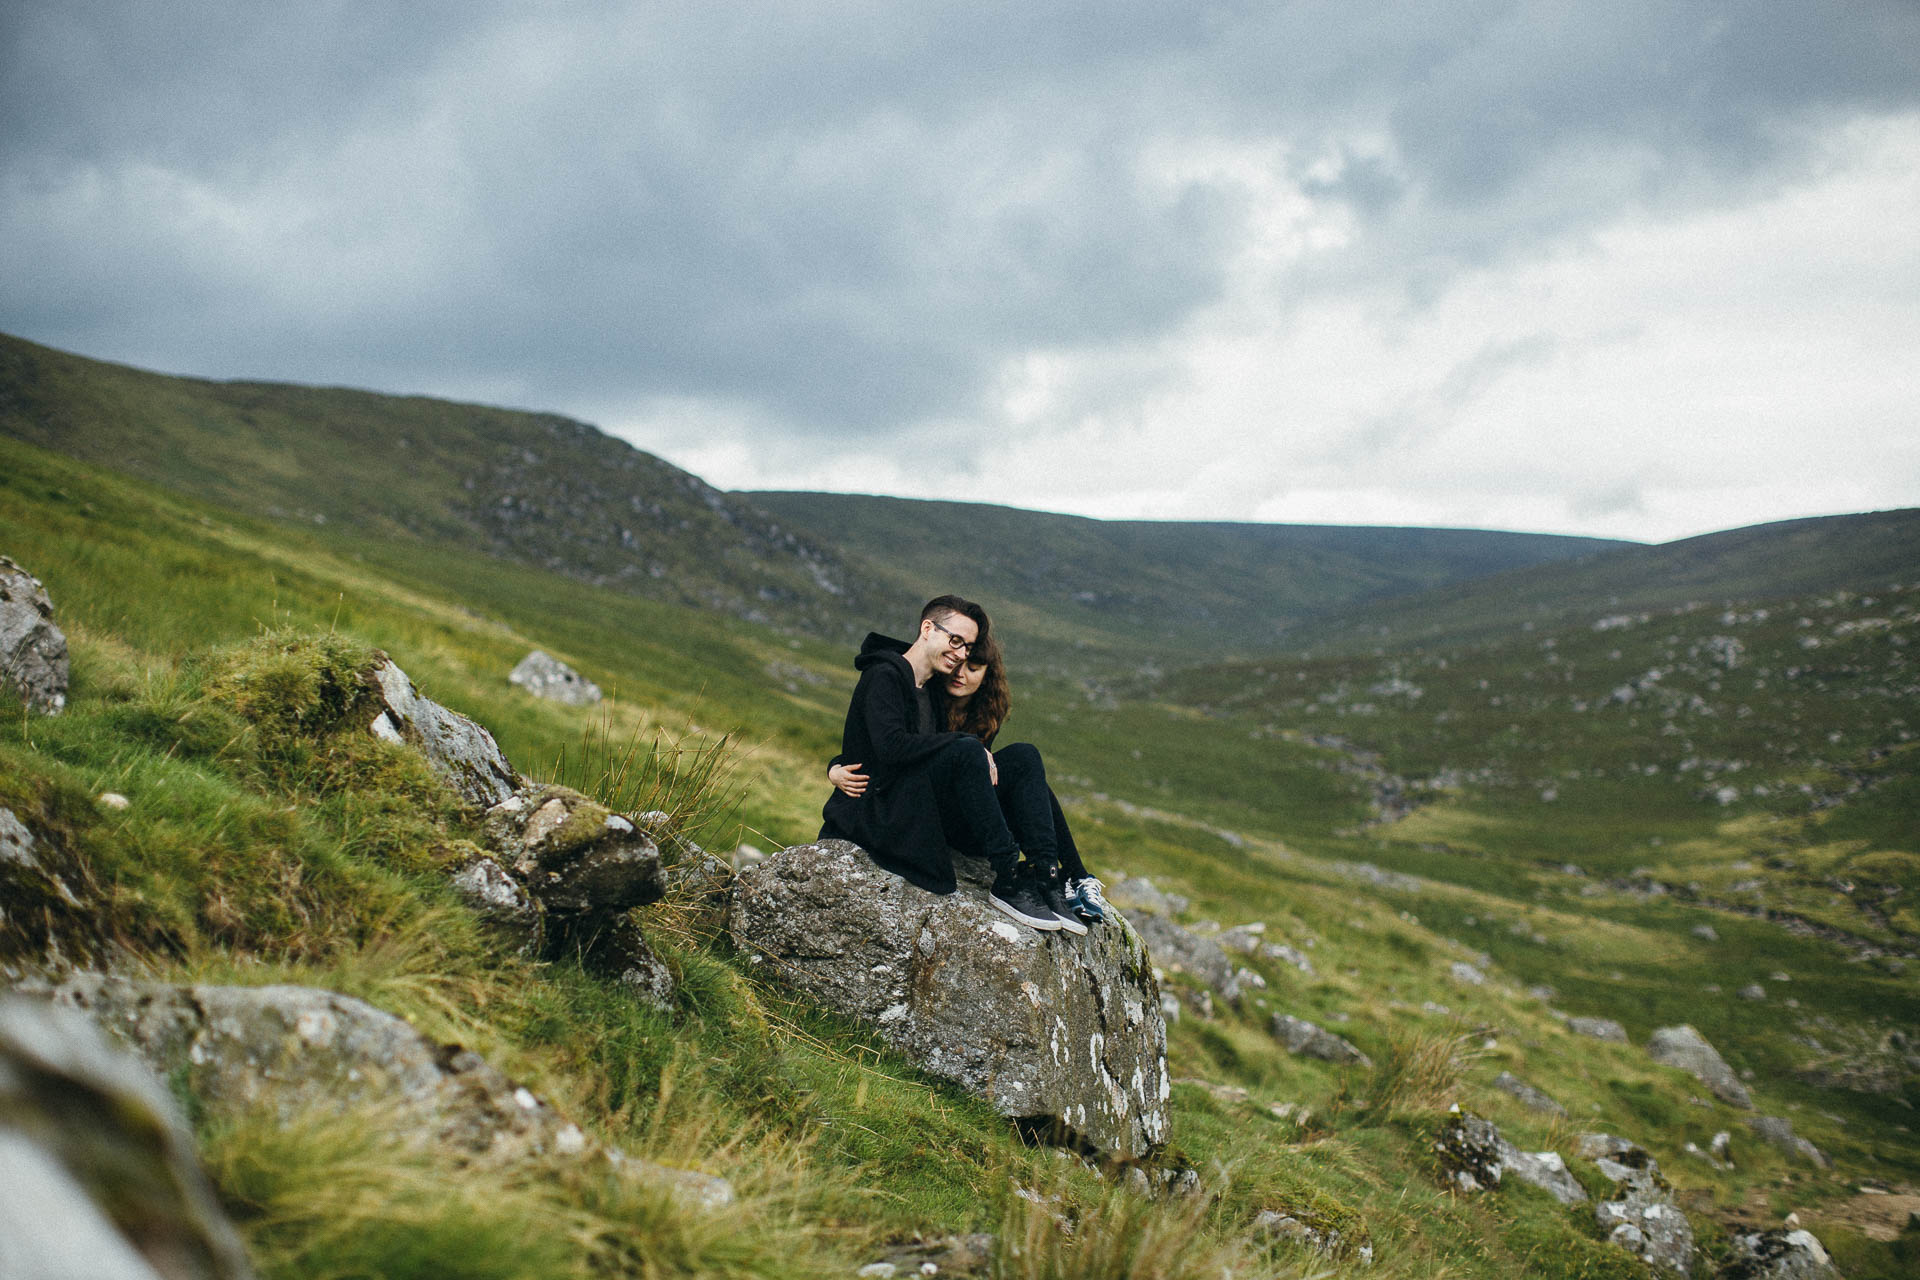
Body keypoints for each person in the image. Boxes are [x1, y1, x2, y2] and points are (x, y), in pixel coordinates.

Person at [829, 628, 1111, 932]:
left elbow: (982, 778)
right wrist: (834, 767)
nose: (959, 673)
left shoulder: (984, 710)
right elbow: (883, 744)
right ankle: (1016, 876)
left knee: (1026, 761)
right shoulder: (925, 689)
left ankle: (1053, 876)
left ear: (987, 676)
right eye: (958, 663)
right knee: (997, 763)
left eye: (973, 668)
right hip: (928, 809)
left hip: (967, 807)